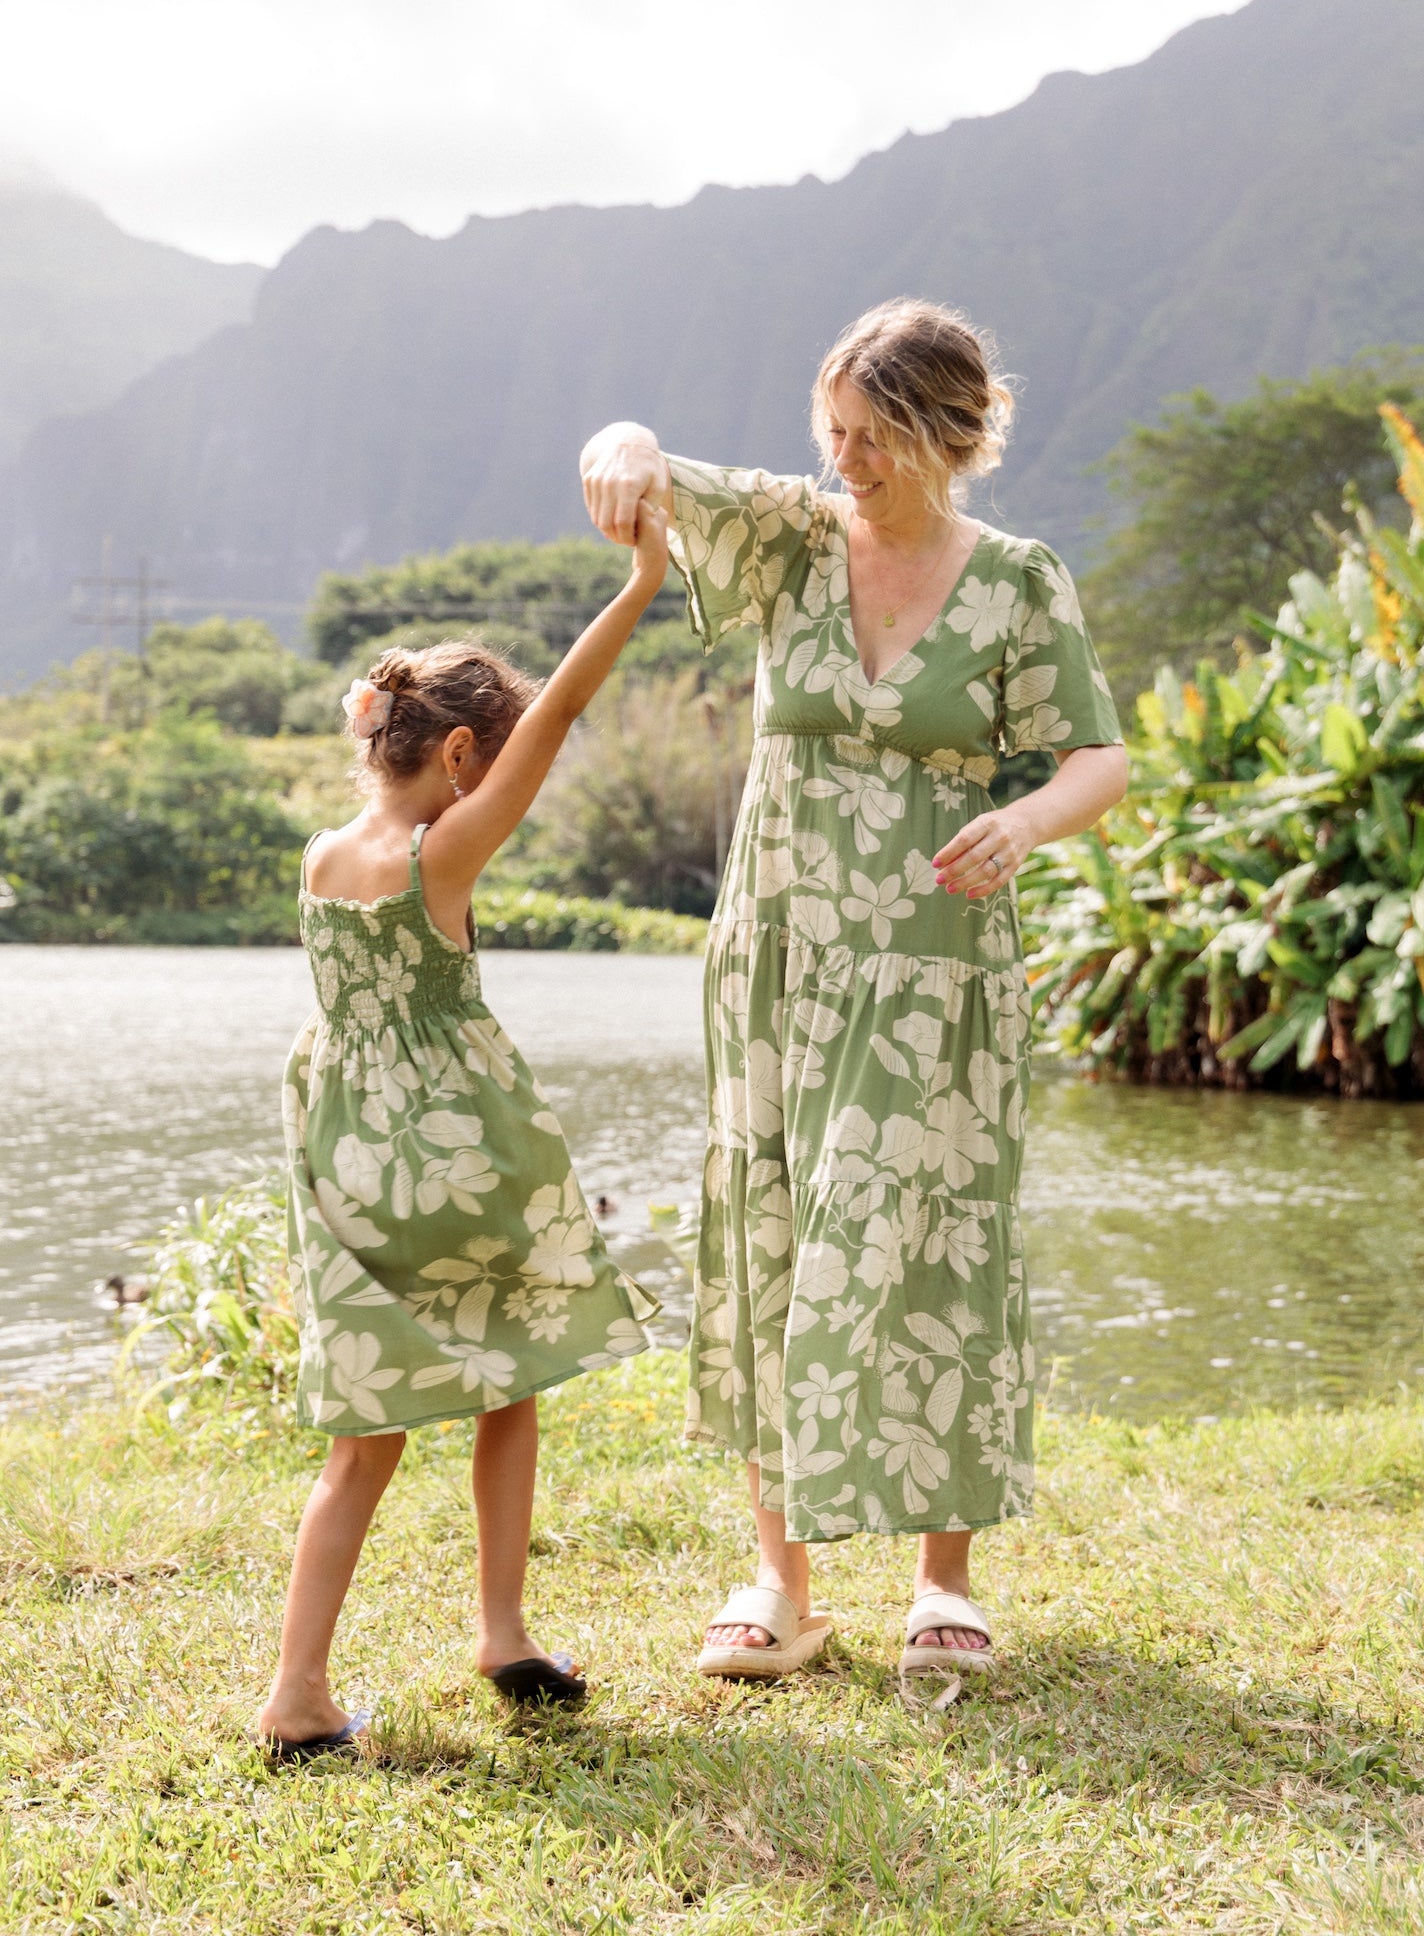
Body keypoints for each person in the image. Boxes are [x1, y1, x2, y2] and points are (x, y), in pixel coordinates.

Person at [580, 300, 1127, 1688]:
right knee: (769, 1230)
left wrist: (1024, 822)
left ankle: (943, 1583)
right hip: (777, 955)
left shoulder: (1017, 582)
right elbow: (656, 468)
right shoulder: (793, 537)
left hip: (936, 963)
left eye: (873, 437)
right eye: (831, 431)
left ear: (952, 434)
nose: (845, 460)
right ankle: (778, 1579)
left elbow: (1095, 761)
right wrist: (624, 440)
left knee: (932, 1236)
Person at [257, 504, 668, 1756]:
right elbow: (560, 718)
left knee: (359, 1451)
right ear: (458, 757)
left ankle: (297, 1695)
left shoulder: (329, 854)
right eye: (486, 762)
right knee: (516, 1381)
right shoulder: (446, 852)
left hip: (346, 1172)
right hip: (463, 1160)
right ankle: (500, 1627)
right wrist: (643, 581)